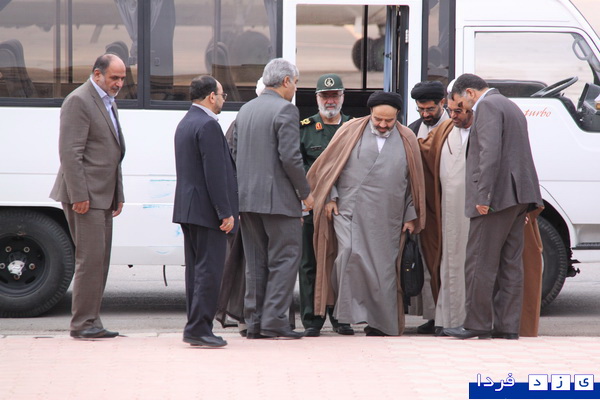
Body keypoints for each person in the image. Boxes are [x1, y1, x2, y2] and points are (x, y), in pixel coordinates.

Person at [307, 91, 426, 336]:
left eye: (388, 121)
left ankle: (379, 323)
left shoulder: (407, 138)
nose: (382, 125)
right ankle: (344, 316)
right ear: (370, 113)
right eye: (378, 119)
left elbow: (414, 182)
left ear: (397, 116)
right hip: (348, 210)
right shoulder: (350, 130)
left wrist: (411, 214)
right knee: (348, 254)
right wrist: (330, 197)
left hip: (388, 215)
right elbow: (329, 168)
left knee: (384, 269)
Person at [443, 74, 543, 340]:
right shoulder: (510, 105)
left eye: (461, 103)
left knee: (479, 262)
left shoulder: (486, 106)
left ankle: (476, 324)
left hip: (496, 198)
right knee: (510, 264)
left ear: (469, 93)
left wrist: (483, 196)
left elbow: (489, 153)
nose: (462, 108)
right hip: (518, 196)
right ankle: (507, 327)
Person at [232, 58, 314, 339]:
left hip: (247, 200)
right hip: (279, 201)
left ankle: (255, 322)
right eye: (296, 83)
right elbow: (291, 158)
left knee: (255, 263)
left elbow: (235, 154)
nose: (296, 89)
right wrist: (305, 193)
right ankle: (275, 321)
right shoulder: (286, 110)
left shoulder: (245, 110)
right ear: (286, 81)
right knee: (286, 258)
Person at [49, 54, 126, 339]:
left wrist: (118, 193)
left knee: (100, 261)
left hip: (104, 194)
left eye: (122, 78)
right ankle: (82, 324)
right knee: (90, 259)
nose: (119, 83)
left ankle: (92, 320)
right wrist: (79, 195)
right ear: (97, 74)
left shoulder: (107, 100)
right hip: (86, 196)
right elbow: (70, 153)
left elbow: (113, 152)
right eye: (114, 78)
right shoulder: (79, 101)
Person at [172, 75, 238, 348]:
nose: (223, 100)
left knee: (195, 272)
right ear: (211, 96)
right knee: (209, 272)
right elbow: (214, 173)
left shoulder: (186, 122)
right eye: (222, 95)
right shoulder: (208, 125)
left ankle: (194, 326)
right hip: (207, 211)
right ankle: (200, 329)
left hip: (189, 209)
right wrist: (225, 212)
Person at [299, 73, 354, 337]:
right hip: (313, 205)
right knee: (310, 262)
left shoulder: (354, 128)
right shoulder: (305, 128)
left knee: (343, 261)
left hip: (346, 206)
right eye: (325, 96)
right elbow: (297, 168)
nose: (330, 101)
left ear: (342, 97)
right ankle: (312, 318)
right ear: (317, 98)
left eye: (335, 95)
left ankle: (341, 317)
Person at [419, 94, 474, 335]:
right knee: (449, 262)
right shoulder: (445, 130)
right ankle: (447, 320)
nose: (453, 116)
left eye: (458, 111)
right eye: (451, 111)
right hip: (448, 213)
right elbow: (420, 151)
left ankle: (470, 320)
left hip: (475, 212)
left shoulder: (484, 130)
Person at [408, 80, 450, 334]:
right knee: (428, 264)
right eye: (420, 109)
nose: (425, 114)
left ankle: (451, 317)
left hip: (450, 208)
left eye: (430, 109)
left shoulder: (454, 126)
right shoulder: (413, 130)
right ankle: (435, 317)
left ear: (442, 103)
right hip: (426, 211)